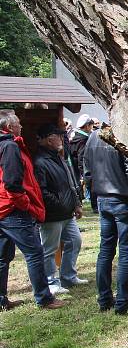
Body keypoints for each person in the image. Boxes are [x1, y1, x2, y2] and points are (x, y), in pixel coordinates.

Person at [0, 110, 65, 310]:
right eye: (18, 123)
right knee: (35, 253)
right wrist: (25, 205)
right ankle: (45, 298)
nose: (21, 126)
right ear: (9, 127)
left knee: (2, 257)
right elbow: (12, 183)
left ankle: (1, 299)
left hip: (3, 208)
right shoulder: (10, 146)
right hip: (12, 210)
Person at [83, 126, 128, 314]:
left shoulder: (93, 136)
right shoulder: (123, 134)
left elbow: (86, 169)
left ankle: (105, 299)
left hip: (104, 198)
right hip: (124, 198)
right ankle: (123, 302)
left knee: (106, 250)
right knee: (126, 252)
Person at [33, 123, 86, 294]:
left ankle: (68, 276)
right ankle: (50, 281)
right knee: (49, 249)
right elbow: (42, 191)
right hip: (52, 215)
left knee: (75, 241)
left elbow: (70, 183)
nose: (62, 138)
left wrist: (76, 203)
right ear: (50, 139)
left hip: (66, 213)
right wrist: (61, 204)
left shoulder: (58, 157)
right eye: (59, 136)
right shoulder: (41, 162)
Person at [70, 114, 96, 211]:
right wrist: (84, 173)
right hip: (80, 168)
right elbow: (82, 157)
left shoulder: (75, 137)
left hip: (74, 167)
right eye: (91, 125)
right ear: (86, 126)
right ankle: (94, 207)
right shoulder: (83, 139)